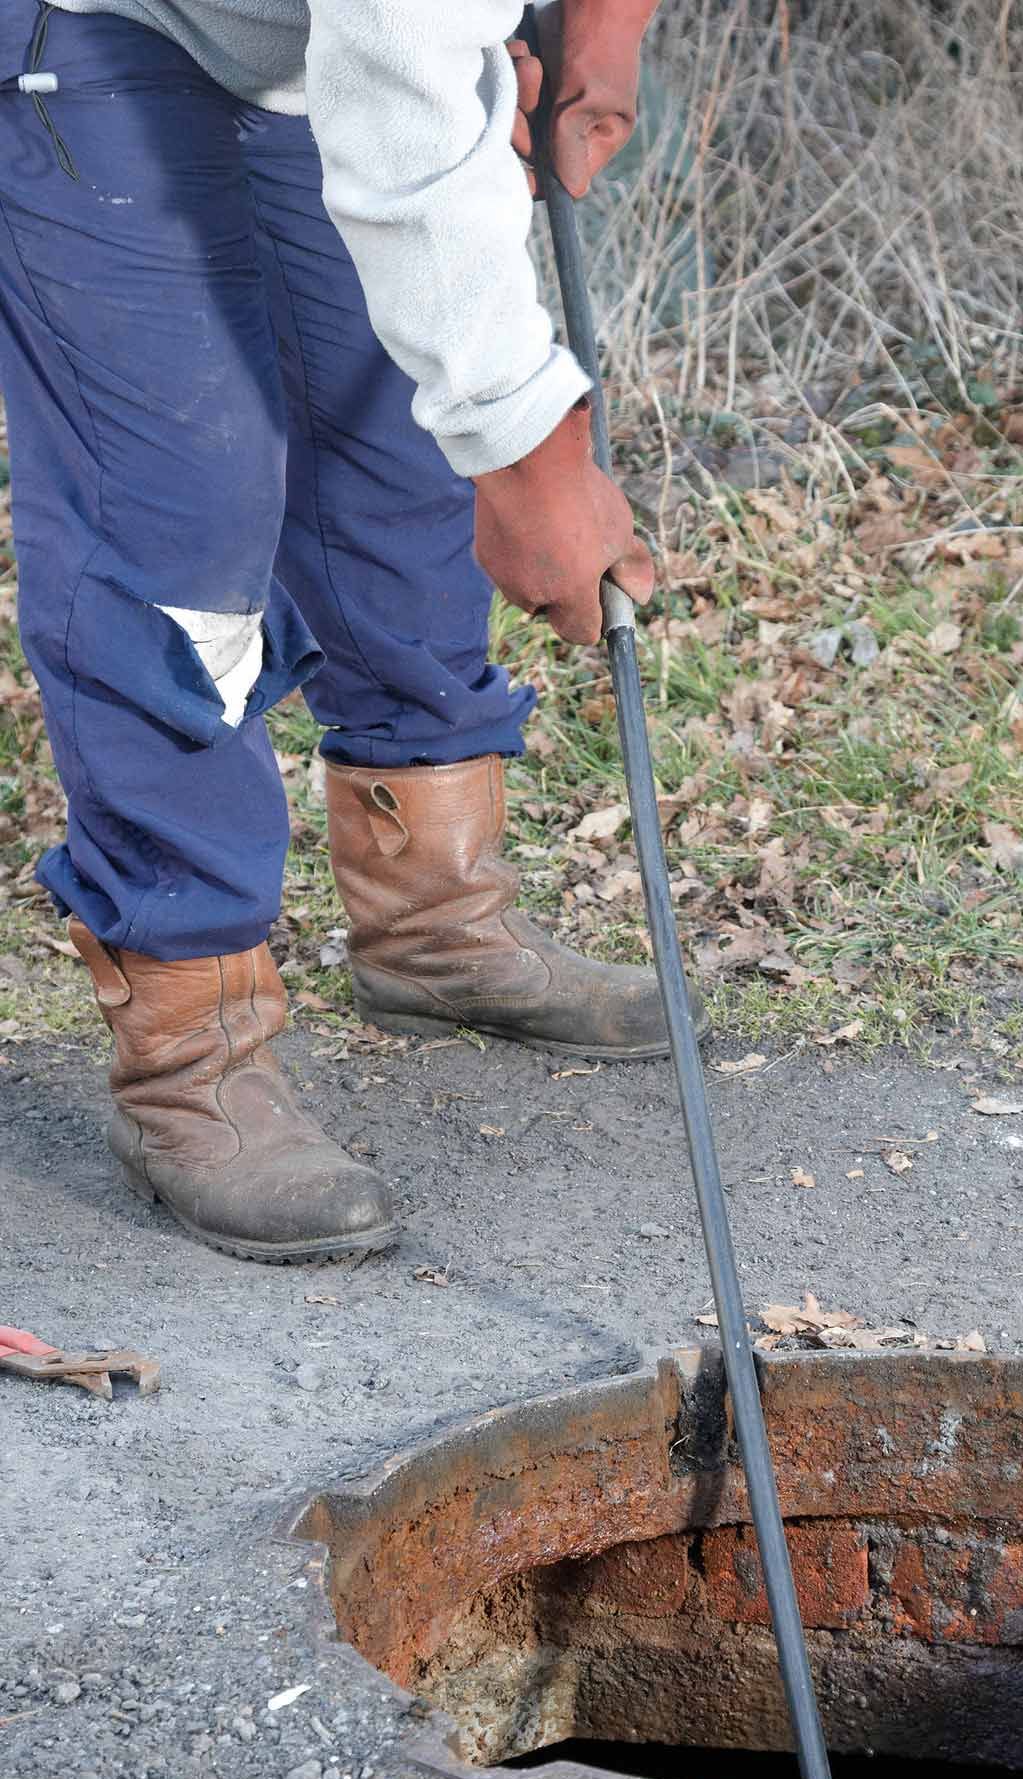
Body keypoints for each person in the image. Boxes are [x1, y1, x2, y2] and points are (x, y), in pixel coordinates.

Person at [0, 0, 702, 1265]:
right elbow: (407, 79)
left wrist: (593, 24)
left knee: (396, 466)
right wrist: (533, 455)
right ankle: (188, 1052)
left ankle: (435, 923)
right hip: (95, 22)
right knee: (179, 515)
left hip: (312, 37)